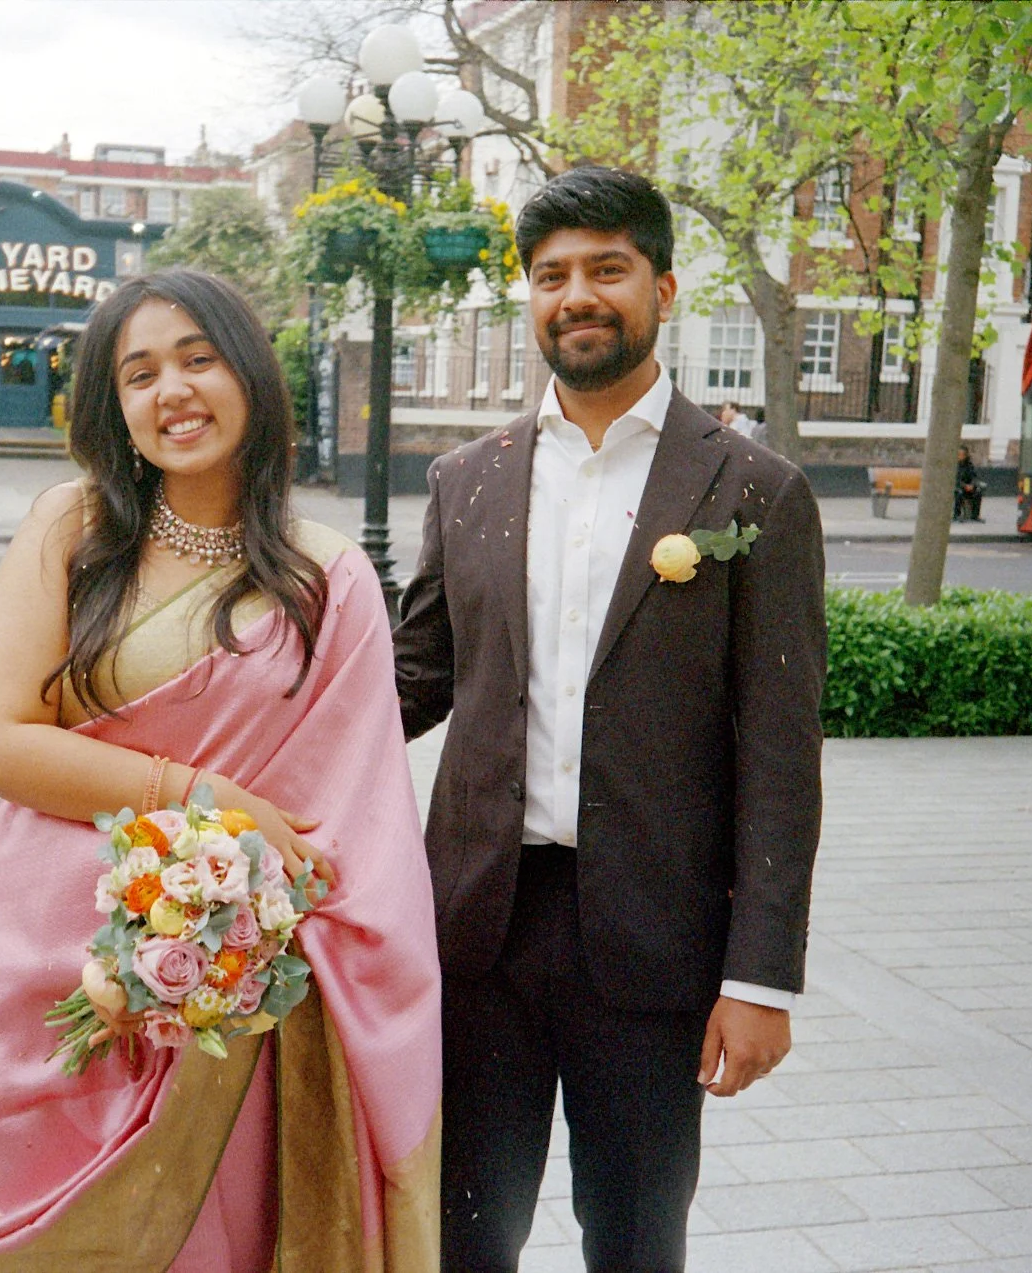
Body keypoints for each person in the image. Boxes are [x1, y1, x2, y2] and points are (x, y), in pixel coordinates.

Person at [0, 269, 442, 1272]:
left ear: (250, 373)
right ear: (115, 408)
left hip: (223, 998)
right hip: (29, 971)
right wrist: (200, 794)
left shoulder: (329, 579)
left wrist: (228, 940)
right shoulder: (72, 530)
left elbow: (359, 830)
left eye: (197, 358)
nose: (173, 391)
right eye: (139, 373)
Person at [395, 167, 826, 1271]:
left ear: (663, 287)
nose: (576, 295)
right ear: (528, 298)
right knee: (460, 1234)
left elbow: (780, 751)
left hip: (650, 940)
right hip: (475, 931)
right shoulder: (466, 481)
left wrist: (760, 975)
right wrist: (239, 720)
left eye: (605, 269)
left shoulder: (752, 491)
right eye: (550, 276)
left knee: (636, 1239)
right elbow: (410, 680)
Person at [954, 445, 984, 522]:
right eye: (959, 455)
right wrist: (964, 486)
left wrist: (972, 485)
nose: (961, 456)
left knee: (978, 491)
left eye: (963, 455)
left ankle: (975, 515)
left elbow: (974, 477)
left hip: (968, 488)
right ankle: (956, 515)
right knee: (959, 492)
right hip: (958, 487)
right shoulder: (954, 465)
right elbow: (954, 479)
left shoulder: (969, 465)